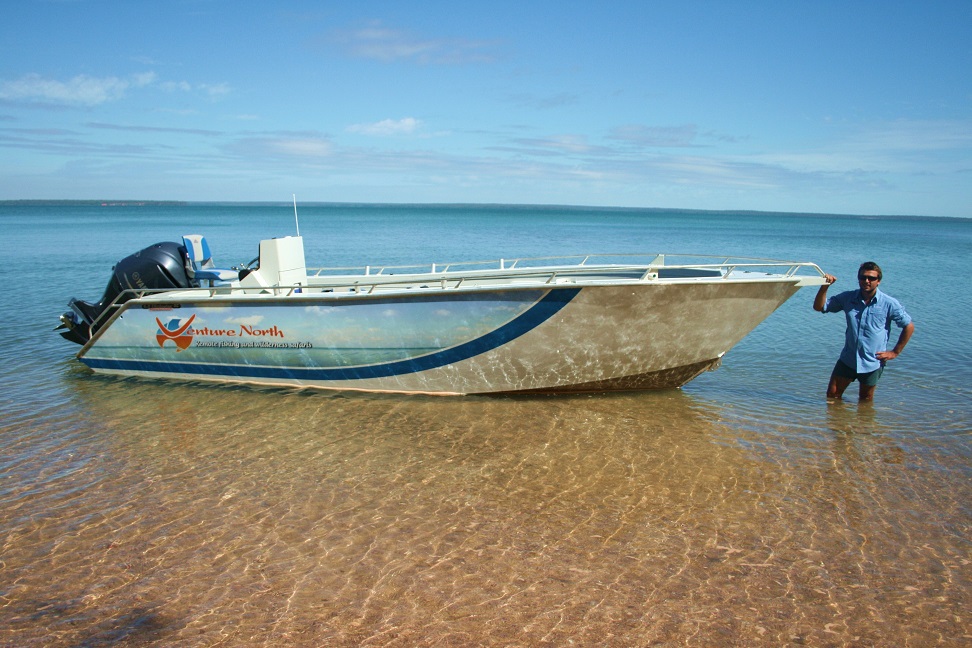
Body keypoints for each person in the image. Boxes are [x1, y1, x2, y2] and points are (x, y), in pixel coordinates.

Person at [813, 261, 914, 402]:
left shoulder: (889, 303)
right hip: (848, 359)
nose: (867, 281)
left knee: (865, 401)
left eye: (871, 278)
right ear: (858, 279)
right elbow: (820, 307)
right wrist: (824, 287)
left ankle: (862, 425)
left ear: (878, 281)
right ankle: (837, 424)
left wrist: (895, 352)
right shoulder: (848, 298)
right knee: (832, 395)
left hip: (872, 362)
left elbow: (908, 326)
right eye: (863, 277)